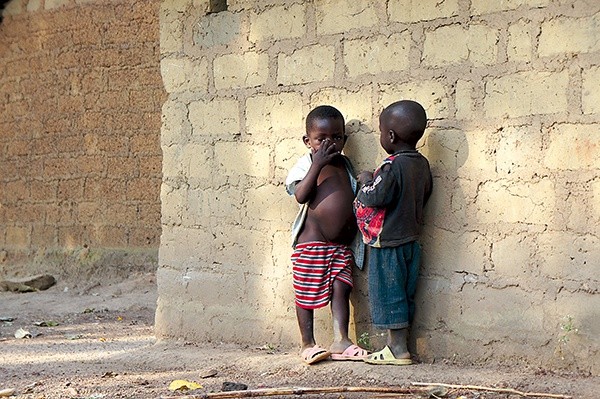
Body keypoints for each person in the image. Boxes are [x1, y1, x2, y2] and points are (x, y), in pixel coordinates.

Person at [285, 105, 368, 365]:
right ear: (308, 141)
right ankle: (307, 343)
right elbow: (300, 195)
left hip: (340, 247)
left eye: (337, 137)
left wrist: (365, 181)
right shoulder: (307, 163)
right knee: (305, 293)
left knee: (341, 289)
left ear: (344, 139)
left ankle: (341, 340)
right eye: (322, 139)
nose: (330, 143)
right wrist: (317, 164)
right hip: (312, 245)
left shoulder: (346, 165)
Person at [353, 100, 433, 365]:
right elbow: (426, 194)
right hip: (411, 241)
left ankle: (397, 349)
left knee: (389, 294)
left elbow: (376, 196)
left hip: (387, 244)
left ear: (390, 136)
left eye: (380, 131)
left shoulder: (391, 166)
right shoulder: (422, 165)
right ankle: (397, 345)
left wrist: (365, 181)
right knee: (404, 293)